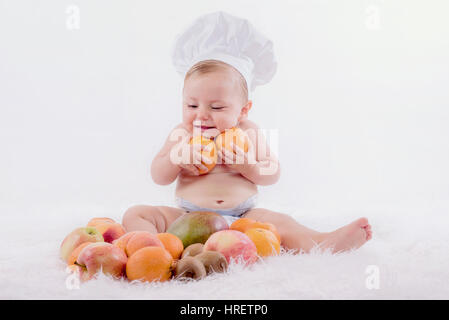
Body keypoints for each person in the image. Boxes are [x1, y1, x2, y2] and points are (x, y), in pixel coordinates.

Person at [122, 11, 372, 254]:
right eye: (191, 105)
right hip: (189, 220)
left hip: (243, 219)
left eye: (217, 106)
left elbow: (272, 171)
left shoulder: (248, 131)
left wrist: (248, 166)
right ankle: (156, 251)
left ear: (243, 110)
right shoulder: (182, 134)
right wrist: (177, 157)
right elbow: (158, 175)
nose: (201, 114)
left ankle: (322, 243)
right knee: (137, 214)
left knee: (280, 222)